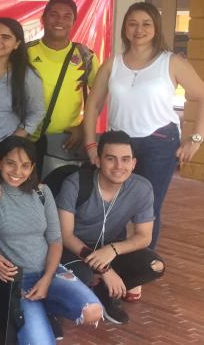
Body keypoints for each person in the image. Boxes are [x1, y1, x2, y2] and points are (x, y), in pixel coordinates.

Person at [83, 2, 204, 249]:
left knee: (148, 210)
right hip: (118, 145)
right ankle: (112, 260)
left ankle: (142, 265)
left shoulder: (171, 62)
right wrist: (91, 145)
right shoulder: (113, 63)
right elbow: (93, 105)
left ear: (156, 28)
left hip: (158, 143)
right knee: (112, 205)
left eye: (146, 23)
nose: (139, 30)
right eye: (133, 24)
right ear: (125, 29)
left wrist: (196, 139)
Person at [0, 136, 102, 345]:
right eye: (10, 163)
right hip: (17, 280)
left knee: (93, 311)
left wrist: (47, 279)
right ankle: (37, 313)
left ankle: (45, 309)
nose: (17, 172)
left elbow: (55, 239)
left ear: (33, 167)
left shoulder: (42, 192)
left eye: (25, 166)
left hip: (49, 272)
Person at [58, 131, 165, 325]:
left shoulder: (142, 188)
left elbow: (144, 236)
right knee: (83, 275)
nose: (119, 166)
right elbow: (65, 235)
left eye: (125, 160)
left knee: (155, 265)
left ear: (134, 163)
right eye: (111, 159)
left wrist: (113, 250)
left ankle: (102, 292)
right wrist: (105, 269)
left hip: (109, 248)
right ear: (98, 161)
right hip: (74, 250)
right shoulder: (75, 184)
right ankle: (74, 296)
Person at [27, 0, 99, 178]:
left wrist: (83, 127)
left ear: (74, 22)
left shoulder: (85, 56)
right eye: (54, 15)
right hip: (28, 139)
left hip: (66, 142)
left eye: (67, 16)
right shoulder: (24, 52)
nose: (60, 21)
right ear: (43, 19)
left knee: (64, 191)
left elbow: (99, 97)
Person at [0, 17, 45, 158]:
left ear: (17, 44)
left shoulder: (26, 74)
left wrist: (14, 140)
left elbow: (37, 111)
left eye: (6, 37)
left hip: (6, 152)